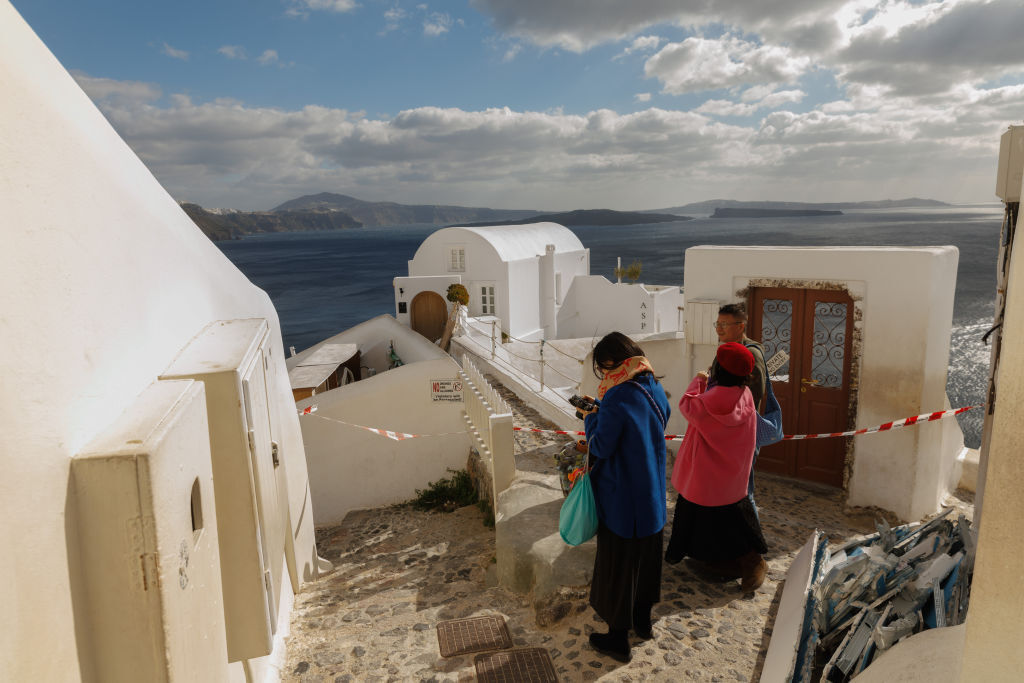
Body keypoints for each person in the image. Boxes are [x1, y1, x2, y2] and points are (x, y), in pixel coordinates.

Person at [577, 331, 670, 663]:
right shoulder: (653, 387)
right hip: (652, 496)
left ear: (612, 363)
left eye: (603, 368)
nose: (603, 375)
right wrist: (604, 412)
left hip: (622, 499)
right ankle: (643, 623)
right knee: (646, 564)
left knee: (618, 567)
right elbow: (644, 422)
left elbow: (601, 445)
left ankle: (617, 639)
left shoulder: (617, 397)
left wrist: (591, 418)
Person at [665, 341, 768, 592]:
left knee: (706, 518)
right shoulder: (745, 397)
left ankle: (748, 561)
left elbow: (686, 405)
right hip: (732, 471)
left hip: (704, 473)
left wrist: (698, 381)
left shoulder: (706, 401)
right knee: (731, 518)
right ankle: (729, 561)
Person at [710, 303, 767, 501]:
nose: (719, 329)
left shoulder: (751, 354)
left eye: (724, 324)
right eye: (717, 324)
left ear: (741, 326)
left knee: (742, 491)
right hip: (725, 431)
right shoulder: (727, 351)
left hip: (742, 433)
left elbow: (754, 395)